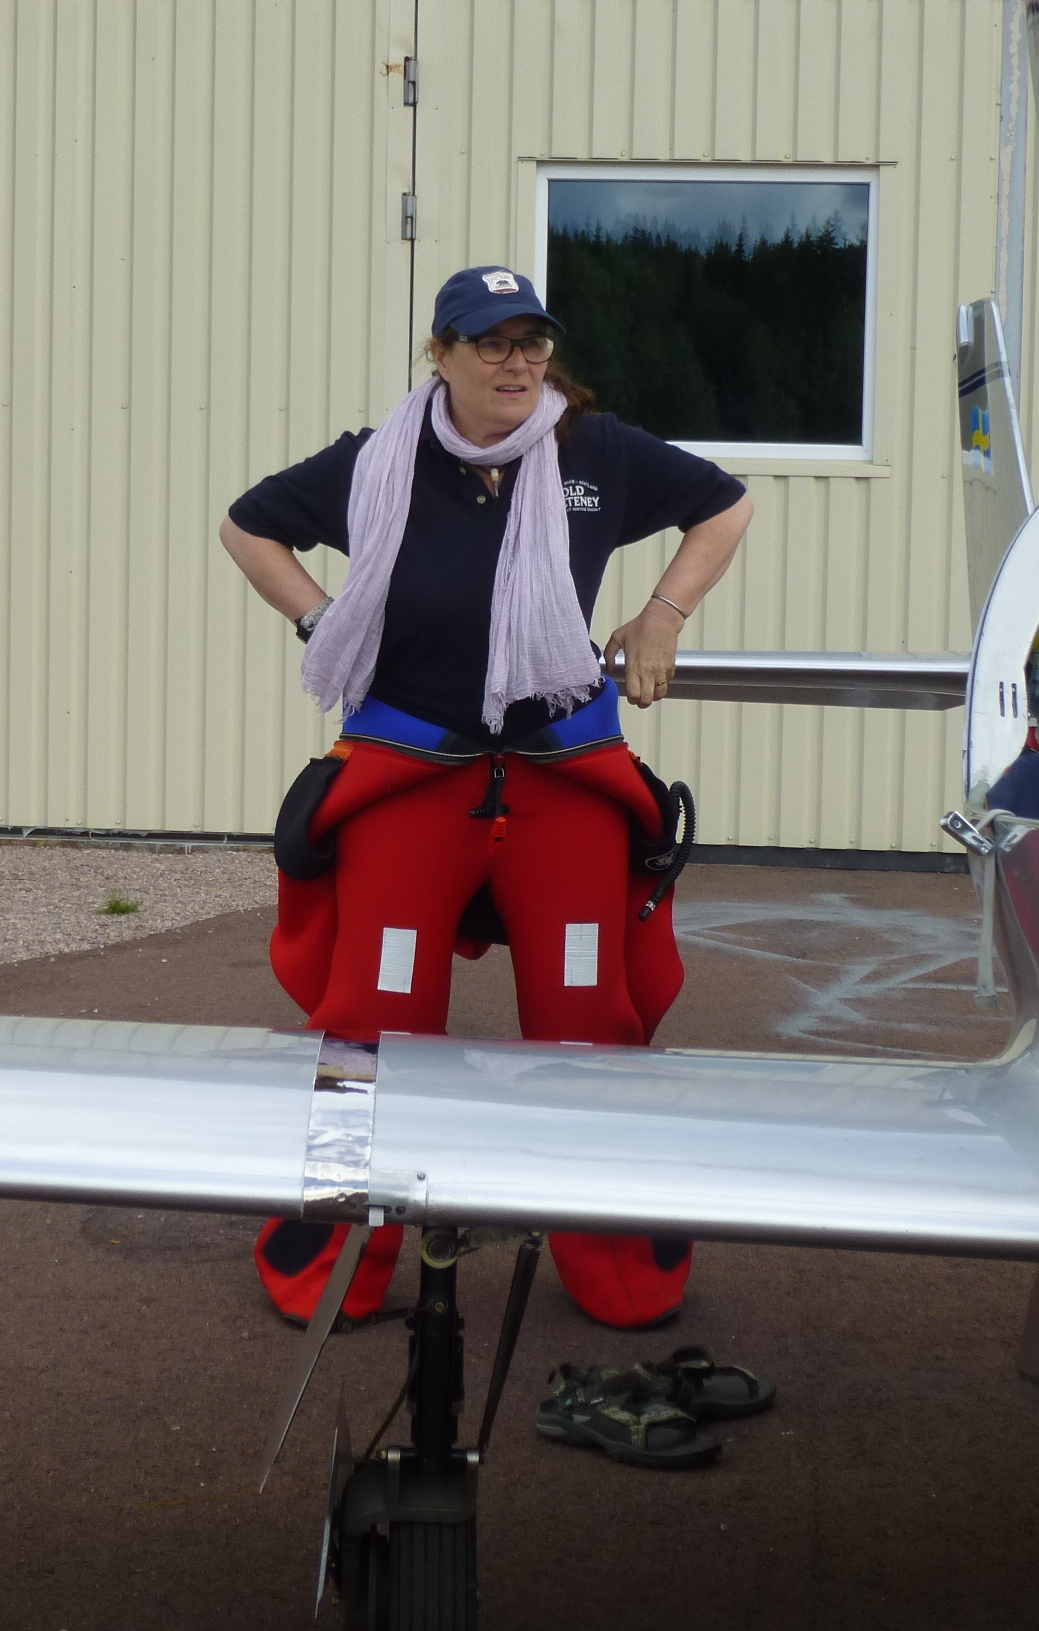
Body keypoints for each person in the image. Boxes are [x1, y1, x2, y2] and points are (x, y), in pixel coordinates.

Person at [220, 265, 754, 1330]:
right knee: (369, 1029)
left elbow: (724, 505)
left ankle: (621, 1272)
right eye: (491, 343)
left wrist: (663, 613)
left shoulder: (597, 452)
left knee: (588, 1028)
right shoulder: (377, 460)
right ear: (442, 354)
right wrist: (324, 622)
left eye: (532, 342)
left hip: (563, 780)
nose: (518, 363)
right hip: (411, 779)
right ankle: (331, 1270)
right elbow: (247, 526)